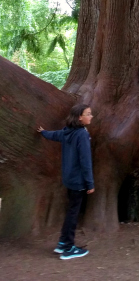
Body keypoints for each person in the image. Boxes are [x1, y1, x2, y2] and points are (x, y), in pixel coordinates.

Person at [37, 103, 95, 259]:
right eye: (88, 114)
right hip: (78, 181)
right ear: (79, 117)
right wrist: (90, 183)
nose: (91, 116)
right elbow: (85, 160)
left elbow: (54, 135)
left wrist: (43, 133)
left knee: (71, 211)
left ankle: (63, 243)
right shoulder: (81, 134)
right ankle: (68, 249)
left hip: (69, 179)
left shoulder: (68, 131)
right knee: (73, 214)